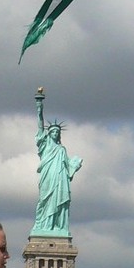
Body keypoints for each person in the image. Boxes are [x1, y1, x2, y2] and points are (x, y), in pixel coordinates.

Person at [30, 89, 82, 237]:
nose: (55, 134)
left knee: (59, 203)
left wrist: (75, 165)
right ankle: (44, 225)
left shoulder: (62, 149)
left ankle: (58, 227)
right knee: (44, 201)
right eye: (53, 132)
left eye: (57, 133)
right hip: (48, 176)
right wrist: (39, 106)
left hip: (60, 179)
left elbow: (68, 166)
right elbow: (40, 125)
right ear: (49, 133)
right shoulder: (44, 144)